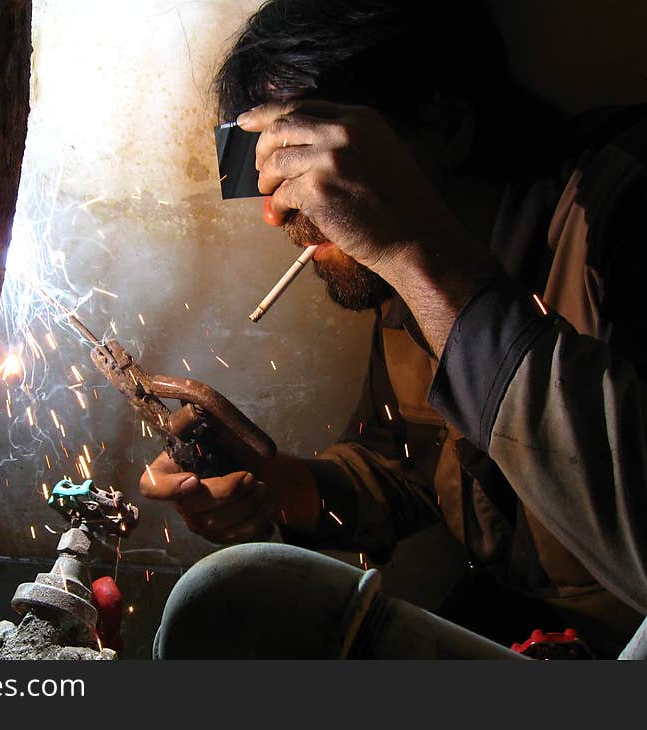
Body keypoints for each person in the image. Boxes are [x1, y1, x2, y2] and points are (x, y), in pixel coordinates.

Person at [142, 0, 647, 657]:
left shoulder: (622, 218)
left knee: (220, 602)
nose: (279, 210)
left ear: (443, 125)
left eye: (309, 158)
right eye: (264, 169)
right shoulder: (401, 286)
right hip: (540, 634)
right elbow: (412, 464)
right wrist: (283, 486)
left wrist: (420, 258)